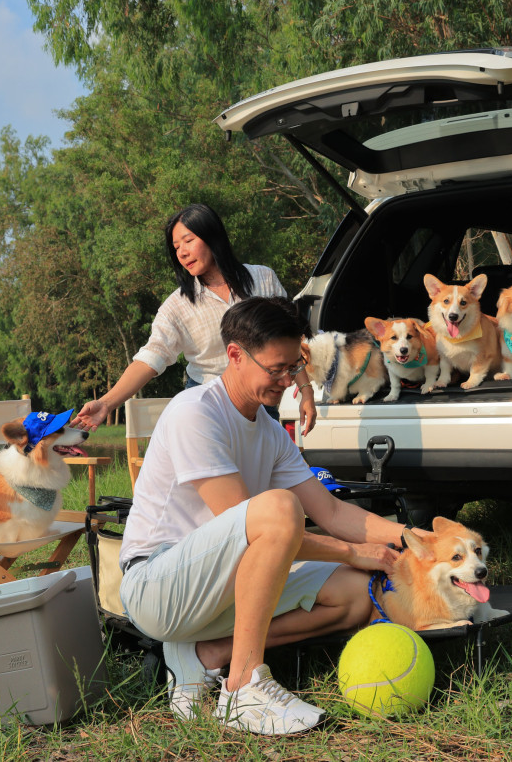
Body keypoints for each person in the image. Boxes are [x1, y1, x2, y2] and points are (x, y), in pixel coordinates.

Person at [117, 296, 409, 735]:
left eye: (294, 367)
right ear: (235, 355)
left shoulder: (270, 431)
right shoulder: (195, 412)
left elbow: (331, 511)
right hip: (158, 589)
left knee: (356, 594)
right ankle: (244, 687)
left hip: (223, 588)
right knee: (277, 507)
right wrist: (353, 552)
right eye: (276, 369)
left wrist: (416, 539)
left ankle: (205, 655)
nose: (288, 382)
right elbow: (251, 524)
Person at [71, 203, 317, 433]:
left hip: (262, 404)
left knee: (266, 464)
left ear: (213, 237)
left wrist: (306, 391)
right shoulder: (177, 306)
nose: (182, 252)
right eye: (176, 247)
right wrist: (106, 403)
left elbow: (290, 342)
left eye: (188, 241)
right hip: (207, 407)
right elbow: (149, 359)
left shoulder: (263, 279)